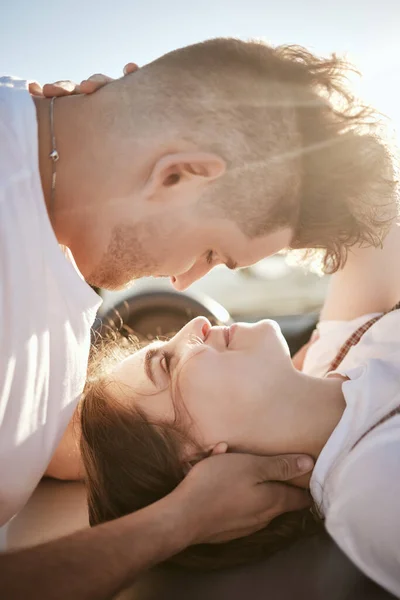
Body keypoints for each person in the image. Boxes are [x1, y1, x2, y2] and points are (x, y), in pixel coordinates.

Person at [0, 36, 397, 598]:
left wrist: (77, 122)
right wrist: (183, 517)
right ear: (177, 175)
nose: (186, 284)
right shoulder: (376, 486)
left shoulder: (340, 358)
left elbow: (76, 432)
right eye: (213, 251)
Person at [77, 222, 400, 597]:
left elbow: (372, 211)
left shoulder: (335, 351)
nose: (194, 324)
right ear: (201, 462)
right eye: (166, 365)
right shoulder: (375, 490)